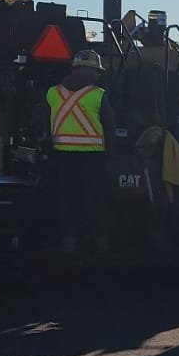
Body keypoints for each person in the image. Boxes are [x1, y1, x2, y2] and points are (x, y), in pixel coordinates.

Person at [44, 47, 116, 253]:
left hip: (63, 156)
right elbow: (110, 129)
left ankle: (70, 244)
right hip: (94, 158)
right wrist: (110, 158)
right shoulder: (98, 95)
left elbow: (42, 123)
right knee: (96, 201)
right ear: (95, 72)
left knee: (68, 201)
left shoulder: (53, 93)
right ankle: (102, 245)